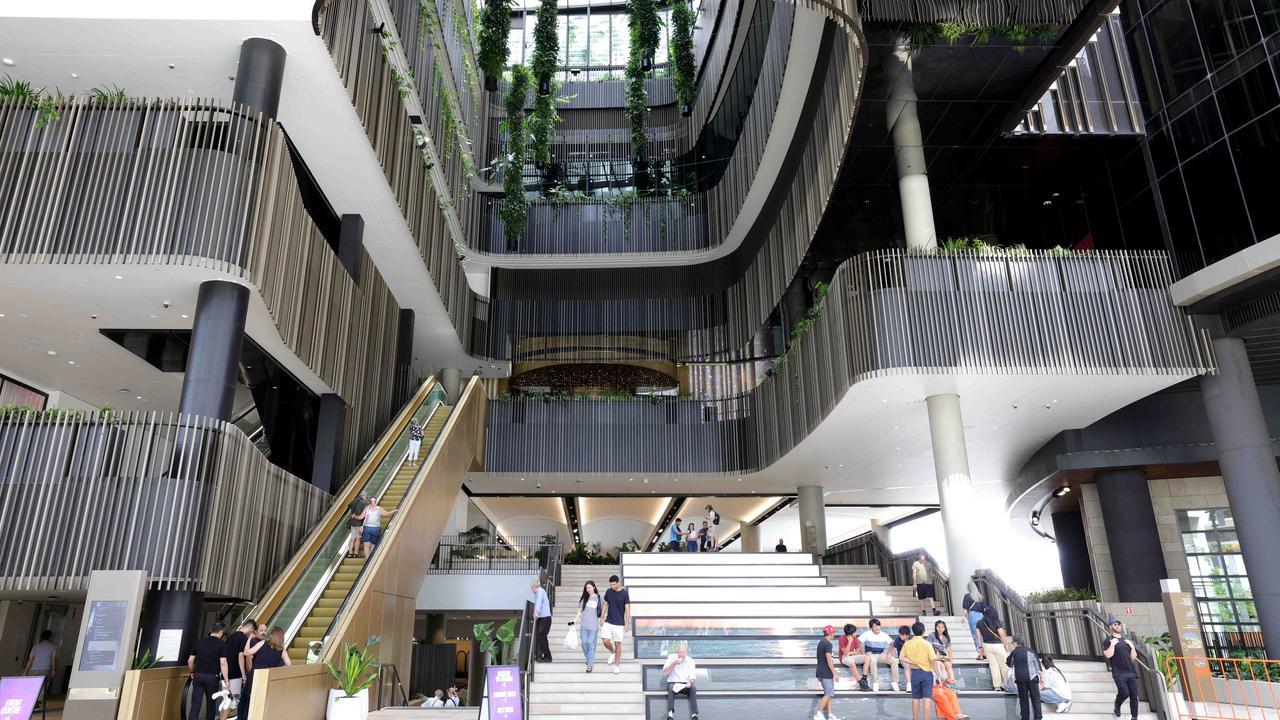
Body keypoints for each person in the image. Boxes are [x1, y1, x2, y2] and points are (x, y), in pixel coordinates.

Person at [187, 622, 230, 720]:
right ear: (221, 632)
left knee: (195, 705)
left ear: (211, 631)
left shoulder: (199, 642)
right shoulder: (222, 645)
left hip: (198, 676)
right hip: (212, 678)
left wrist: (192, 672)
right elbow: (223, 663)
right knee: (211, 705)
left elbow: (190, 660)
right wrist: (226, 680)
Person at [1103, 619, 1139, 720]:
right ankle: (1117, 705)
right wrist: (1113, 644)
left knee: (1134, 696)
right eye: (1115, 624)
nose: (1118, 625)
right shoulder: (1108, 640)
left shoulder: (1127, 640)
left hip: (1130, 671)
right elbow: (1108, 654)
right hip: (1119, 672)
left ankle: (1134, 717)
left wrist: (1132, 647)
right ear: (1110, 627)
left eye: (1119, 624)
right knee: (1124, 693)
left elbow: (1133, 657)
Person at [901, 622, 937, 720]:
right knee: (927, 698)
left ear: (913, 631)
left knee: (915, 698)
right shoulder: (927, 644)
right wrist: (939, 676)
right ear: (923, 631)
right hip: (926, 673)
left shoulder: (907, 643)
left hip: (915, 673)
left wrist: (912, 662)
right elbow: (933, 661)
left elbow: (901, 657)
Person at [222, 619, 254, 720]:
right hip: (236, 674)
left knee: (226, 699)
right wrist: (244, 675)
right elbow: (241, 657)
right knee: (232, 700)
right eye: (252, 630)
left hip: (226, 673)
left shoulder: (230, 637)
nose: (251, 632)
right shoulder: (243, 639)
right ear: (250, 628)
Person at [1007, 636, 1042, 720]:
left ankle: (1025, 717)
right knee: (1036, 698)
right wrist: (1041, 677)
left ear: (1016, 643)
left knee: (1023, 699)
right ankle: (1038, 717)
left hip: (1020, 679)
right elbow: (1038, 665)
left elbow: (1009, 663)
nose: (1012, 644)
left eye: (1013, 642)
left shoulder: (1014, 652)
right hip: (1032, 678)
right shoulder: (1031, 651)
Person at [601, 575, 631, 675]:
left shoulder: (625, 594)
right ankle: (612, 652)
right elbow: (605, 604)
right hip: (608, 621)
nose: (612, 586)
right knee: (605, 640)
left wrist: (627, 624)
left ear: (618, 583)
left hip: (619, 623)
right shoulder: (609, 592)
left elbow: (627, 610)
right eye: (611, 585)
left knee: (618, 644)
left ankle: (617, 666)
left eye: (614, 584)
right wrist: (601, 617)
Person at [572, 580, 604, 671]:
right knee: (584, 643)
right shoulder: (585, 598)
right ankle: (589, 658)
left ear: (594, 587)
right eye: (587, 588)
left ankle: (589, 665)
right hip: (584, 625)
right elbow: (580, 610)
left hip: (594, 626)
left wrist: (602, 618)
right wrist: (575, 620)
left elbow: (605, 607)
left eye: (590, 587)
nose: (588, 589)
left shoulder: (599, 598)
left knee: (591, 644)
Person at [662, 642, 699, 720]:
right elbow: (665, 673)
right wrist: (674, 663)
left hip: (685, 684)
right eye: (680, 652)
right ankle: (670, 714)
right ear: (677, 651)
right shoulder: (671, 657)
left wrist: (690, 683)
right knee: (671, 687)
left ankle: (694, 715)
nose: (681, 654)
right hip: (673, 683)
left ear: (686, 652)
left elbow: (693, 678)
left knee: (693, 688)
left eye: (683, 652)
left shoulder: (690, 661)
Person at [978, 604, 1010, 691]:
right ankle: (1007, 684)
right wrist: (1006, 644)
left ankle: (997, 686)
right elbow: (1001, 634)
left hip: (987, 646)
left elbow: (978, 637)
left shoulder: (979, 622)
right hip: (998, 645)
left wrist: (980, 648)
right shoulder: (996, 621)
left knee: (993, 666)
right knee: (1003, 665)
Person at [237, 623, 266, 720]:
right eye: (261, 630)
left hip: (253, 675)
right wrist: (249, 675)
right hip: (252, 675)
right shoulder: (254, 642)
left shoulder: (260, 642)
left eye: (265, 630)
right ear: (255, 632)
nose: (264, 633)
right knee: (247, 698)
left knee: (246, 698)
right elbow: (248, 658)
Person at [858, 618, 894, 692]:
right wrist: (863, 653)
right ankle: (875, 683)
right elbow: (857, 642)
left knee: (895, 661)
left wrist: (889, 653)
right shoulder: (866, 634)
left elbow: (892, 644)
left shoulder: (884, 635)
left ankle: (895, 682)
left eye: (878, 626)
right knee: (872, 660)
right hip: (871, 655)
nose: (877, 628)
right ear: (871, 627)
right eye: (874, 626)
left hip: (881, 655)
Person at [24, 630, 57, 708]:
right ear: (50, 637)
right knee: (43, 686)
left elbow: (30, 660)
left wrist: (26, 671)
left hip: (34, 668)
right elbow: (53, 659)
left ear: (41, 637)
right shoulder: (53, 647)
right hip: (46, 669)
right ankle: (38, 702)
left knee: (32, 685)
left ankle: (31, 701)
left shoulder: (36, 647)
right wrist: (53, 670)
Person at [814, 625, 839, 720]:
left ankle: (830, 715)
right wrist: (835, 673)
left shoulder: (821, 642)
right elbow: (829, 660)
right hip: (826, 673)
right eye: (834, 633)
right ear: (830, 633)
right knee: (828, 694)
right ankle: (818, 714)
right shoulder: (828, 644)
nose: (834, 635)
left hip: (820, 672)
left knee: (828, 694)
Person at [961, 580, 986, 661]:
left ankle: (980, 653)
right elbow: (984, 609)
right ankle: (984, 652)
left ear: (969, 588)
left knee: (975, 636)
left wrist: (963, 617)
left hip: (972, 616)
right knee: (982, 635)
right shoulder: (981, 597)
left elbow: (965, 608)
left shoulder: (967, 596)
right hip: (981, 616)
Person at [837, 624, 867, 690]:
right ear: (850, 634)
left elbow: (858, 651)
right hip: (844, 657)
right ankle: (860, 683)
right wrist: (850, 642)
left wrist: (850, 653)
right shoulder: (841, 639)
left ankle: (864, 678)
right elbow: (845, 653)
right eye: (854, 632)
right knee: (852, 663)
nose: (856, 633)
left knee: (867, 657)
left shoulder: (855, 638)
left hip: (852, 656)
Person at [531, 579, 553, 663]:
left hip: (545, 618)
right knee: (541, 636)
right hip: (542, 618)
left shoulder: (540, 591)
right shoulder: (538, 592)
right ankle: (544, 655)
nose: (531, 589)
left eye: (531, 587)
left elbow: (539, 602)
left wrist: (536, 612)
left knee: (542, 636)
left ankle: (548, 657)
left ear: (533, 586)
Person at [929, 620, 956, 686]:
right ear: (936, 627)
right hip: (934, 656)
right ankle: (943, 682)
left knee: (948, 665)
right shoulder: (932, 635)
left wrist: (951, 661)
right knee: (941, 665)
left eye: (942, 627)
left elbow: (949, 651)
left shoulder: (946, 638)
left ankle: (953, 683)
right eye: (938, 627)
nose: (940, 629)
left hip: (942, 656)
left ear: (944, 628)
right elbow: (928, 647)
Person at [347, 491, 369, 558]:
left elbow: (349, 506)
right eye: (366, 497)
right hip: (359, 523)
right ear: (364, 496)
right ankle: (356, 553)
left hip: (352, 522)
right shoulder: (363, 502)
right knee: (358, 539)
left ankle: (350, 553)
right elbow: (368, 509)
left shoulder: (354, 501)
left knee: (352, 538)